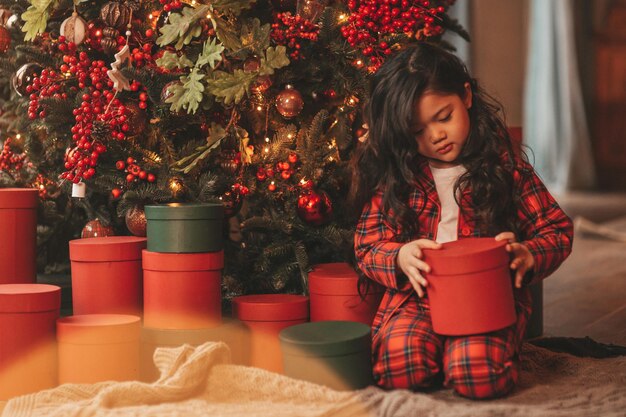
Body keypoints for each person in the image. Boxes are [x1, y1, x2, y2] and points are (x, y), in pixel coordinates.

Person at [350, 42, 573, 400]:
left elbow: (556, 229)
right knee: (399, 369)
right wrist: (399, 257)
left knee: (478, 375)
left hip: (486, 297)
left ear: (465, 96)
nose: (435, 136)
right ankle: (437, 352)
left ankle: (465, 354)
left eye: (443, 117)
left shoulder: (503, 166)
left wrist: (528, 254)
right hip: (417, 298)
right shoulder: (400, 176)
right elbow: (367, 245)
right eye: (417, 131)